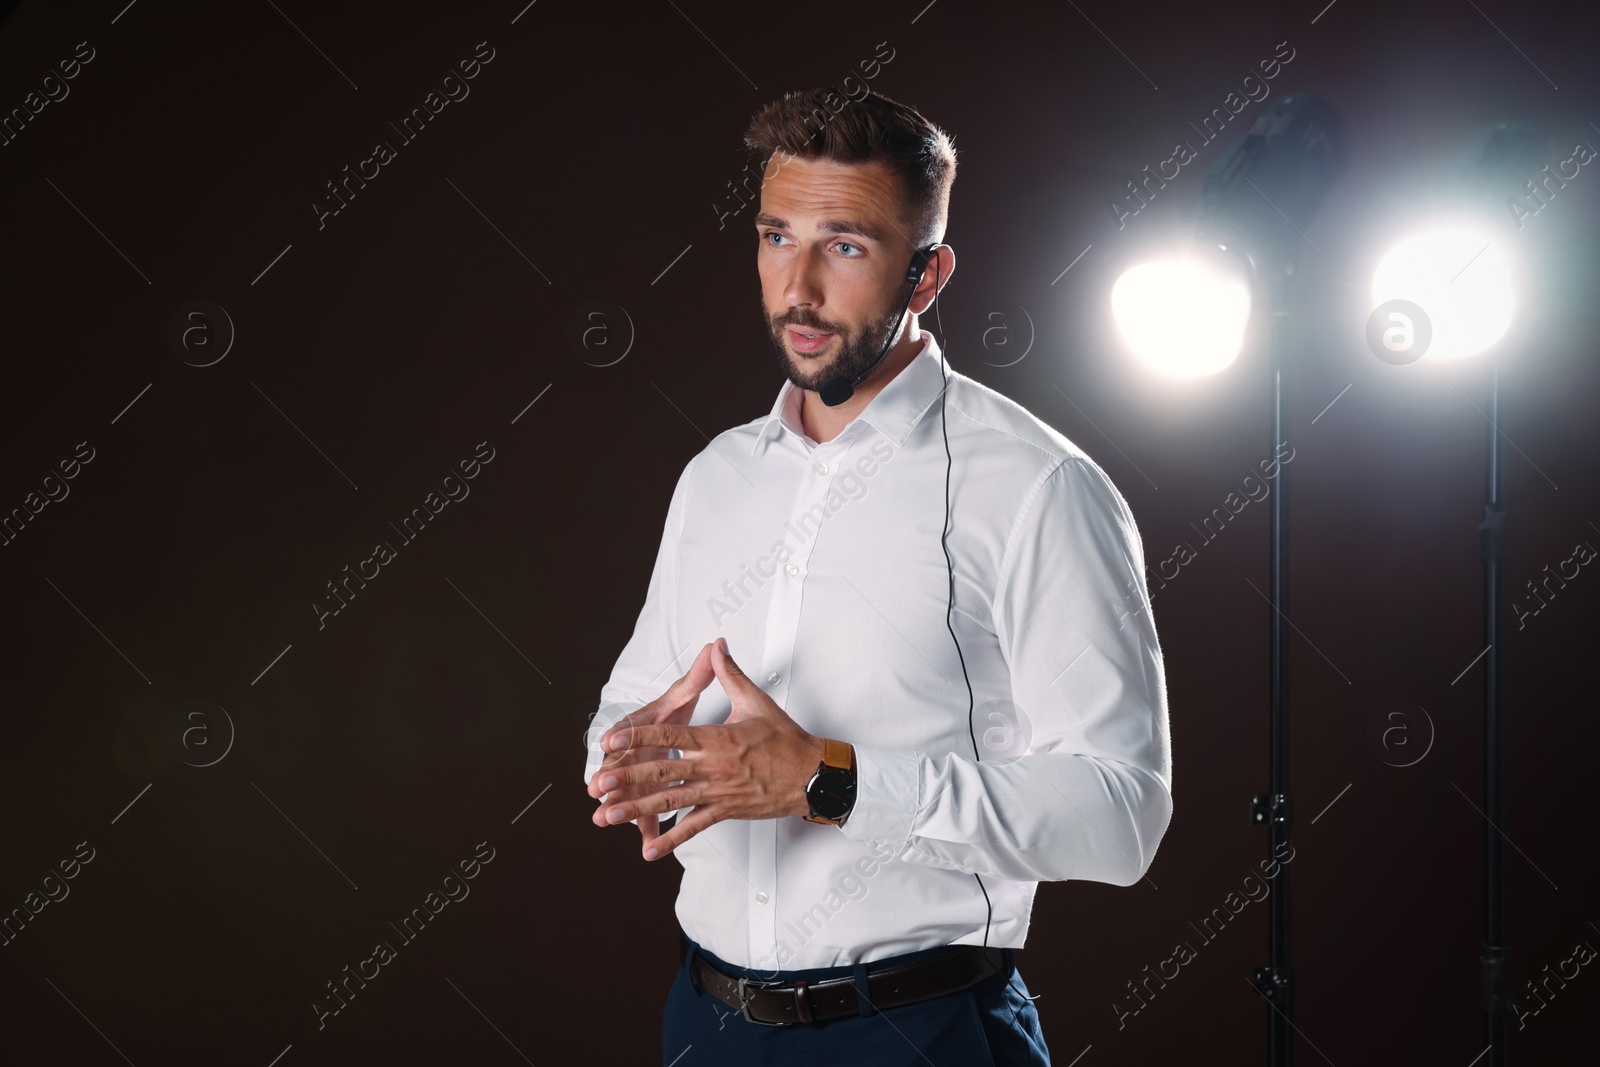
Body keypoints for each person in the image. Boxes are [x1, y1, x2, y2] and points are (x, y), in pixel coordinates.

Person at [582, 86, 1172, 1066]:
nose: (797, 287)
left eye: (844, 246)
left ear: (926, 273)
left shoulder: (1036, 486)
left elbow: (1118, 814)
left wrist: (827, 780)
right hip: (707, 1023)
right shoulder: (716, 477)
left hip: (919, 1032)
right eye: (777, 237)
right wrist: (626, 761)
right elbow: (631, 704)